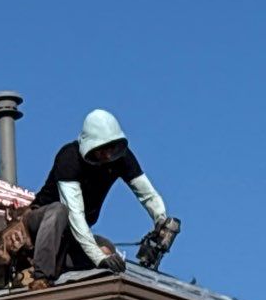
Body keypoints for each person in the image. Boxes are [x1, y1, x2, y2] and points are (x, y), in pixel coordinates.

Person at [25, 108, 170, 282]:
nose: (107, 155)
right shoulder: (70, 158)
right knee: (59, 211)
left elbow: (147, 194)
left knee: (108, 251)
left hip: (69, 236)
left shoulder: (122, 158)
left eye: (111, 148)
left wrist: (161, 220)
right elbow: (75, 214)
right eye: (102, 150)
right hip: (40, 227)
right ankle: (41, 277)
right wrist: (97, 257)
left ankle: (58, 261)